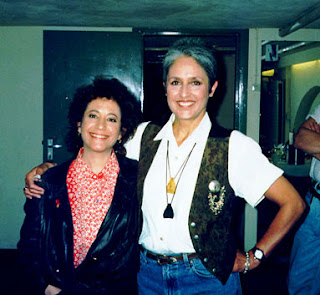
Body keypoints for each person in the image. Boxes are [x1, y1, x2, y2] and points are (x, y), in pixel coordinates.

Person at [24, 38, 306, 295]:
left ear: (213, 88)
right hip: (146, 276)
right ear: (165, 87)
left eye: (195, 82)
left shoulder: (234, 147)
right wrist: (46, 172)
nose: (184, 93)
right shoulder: (142, 136)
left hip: (206, 279)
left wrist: (253, 259)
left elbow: (293, 204)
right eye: (175, 82)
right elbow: (97, 148)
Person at [18, 76, 141, 295]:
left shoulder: (138, 177)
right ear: (79, 124)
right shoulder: (50, 180)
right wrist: (47, 288)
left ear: (122, 132)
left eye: (112, 119)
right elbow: (29, 245)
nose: (101, 126)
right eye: (93, 115)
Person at [288, 105, 320, 295]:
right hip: (314, 204)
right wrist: (310, 139)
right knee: (299, 282)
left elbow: (310, 141)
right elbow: (300, 139)